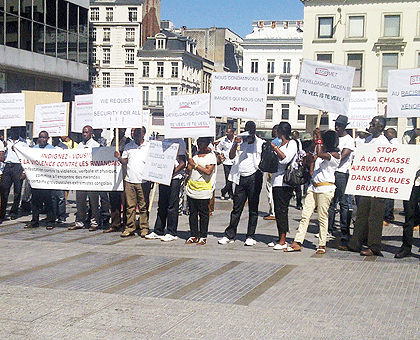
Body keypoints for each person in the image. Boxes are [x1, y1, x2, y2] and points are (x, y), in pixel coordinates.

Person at [339, 116, 390, 256]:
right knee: (362, 214)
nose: (370, 126)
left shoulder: (384, 142)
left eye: (374, 124)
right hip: (366, 183)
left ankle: (374, 246)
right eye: (371, 123)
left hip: (378, 184)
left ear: (381, 127)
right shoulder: (367, 140)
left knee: (375, 217)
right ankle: (355, 243)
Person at [285, 129, 340, 254]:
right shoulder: (319, 149)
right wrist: (314, 145)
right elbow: (309, 156)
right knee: (305, 215)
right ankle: (298, 241)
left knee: (322, 216)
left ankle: (322, 243)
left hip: (325, 188)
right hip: (313, 187)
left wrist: (319, 138)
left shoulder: (335, 155)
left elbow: (320, 154)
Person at [218, 121, 264, 246]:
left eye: (251, 130)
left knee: (253, 208)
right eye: (247, 130)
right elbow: (231, 156)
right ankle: (230, 234)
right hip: (240, 177)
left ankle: (250, 235)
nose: (249, 133)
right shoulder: (240, 141)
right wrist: (235, 144)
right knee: (236, 207)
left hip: (254, 176)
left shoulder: (260, 143)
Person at [146, 138, 186, 242]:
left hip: (174, 178)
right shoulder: (163, 141)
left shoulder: (180, 141)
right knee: (162, 204)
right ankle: (158, 230)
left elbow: (183, 163)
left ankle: (171, 232)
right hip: (163, 177)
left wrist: (171, 173)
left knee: (172, 205)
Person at [114, 128, 150, 237]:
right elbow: (125, 161)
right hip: (130, 180)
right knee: (130, 206)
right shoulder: (129, 146)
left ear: (143, 133)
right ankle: (130, 227)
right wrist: (119, 157)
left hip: (143, 181)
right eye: (133, 132)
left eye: (137, 132)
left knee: (143, 206)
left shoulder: (149, 146)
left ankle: (144, 227)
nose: (134, 134)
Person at [268, 122, 298, 250]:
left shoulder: (292, 144)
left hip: (285, 182)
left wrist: (275, 148)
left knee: (282, 210)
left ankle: (283, 239)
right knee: (277, 210)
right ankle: (279, 235)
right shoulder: (280, 143)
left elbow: (285, 159)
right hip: (275, 180)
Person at [327, 115, 355, 244]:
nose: (336, 127)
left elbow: (342, 157)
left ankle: (345, 231)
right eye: (336, 124)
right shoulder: (334, 138)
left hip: (342, 173)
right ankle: (329, 228)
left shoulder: (349, 140)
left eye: (339, 125)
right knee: (331, 203)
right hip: (331, 172)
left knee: (343, 203)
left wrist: (331, 156)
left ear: (345, 126)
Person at [68, 125, 101, 231]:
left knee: (94, 201)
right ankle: (80, 221)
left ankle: (94, 222)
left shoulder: (96, 145)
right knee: (80, 201)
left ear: (91, 133)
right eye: (83, 132)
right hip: (81, 178)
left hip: (91, 177)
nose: (84, 134)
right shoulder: (79, 145)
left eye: (86, 132)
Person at [185, 137, 217, 245]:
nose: (200, 144)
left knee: (203, 213)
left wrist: (195, 165)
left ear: (207, 144)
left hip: (204, 188)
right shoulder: (194, 155)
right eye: (199, 142)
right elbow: (189, 169)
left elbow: (208, 171)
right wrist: (189, 163)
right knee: (192, 213)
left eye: (202, 142)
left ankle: (203, 235)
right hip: (192, 187)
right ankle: (194, 234)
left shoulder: (211, 156)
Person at [25, 131, 56, 229]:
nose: (42, 139)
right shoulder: (34, 149)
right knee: (35, 202)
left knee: (48, 201)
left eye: (44, 137)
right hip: (36, 179)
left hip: (47, 180)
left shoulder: (52, 149)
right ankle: (34, 221)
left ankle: (50, 221)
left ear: (47, 139)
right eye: (40, 137)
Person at [0, 127, 27, 221]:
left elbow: (25, 157)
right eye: (13, 130)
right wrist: (5, 148)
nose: (15, 132)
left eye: (16, 130)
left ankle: (14, 211)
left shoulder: (23, 143)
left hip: (18, 166)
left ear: (19, 131)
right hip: (8, 166)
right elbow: (3, 157)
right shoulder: (6, 141)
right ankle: (2, 212)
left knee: (17, 191)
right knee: (4, 189)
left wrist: (24, 171)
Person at [383, 128, 398, 226]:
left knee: (388, 197)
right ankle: (390, 215)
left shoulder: (394, 144)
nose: (385, 134)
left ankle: (387, 217)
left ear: (392, 134)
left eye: (387, 133)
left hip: (391, 172)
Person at [263, 125, 279, 220]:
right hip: (279, 170)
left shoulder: (274, 142)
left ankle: (272, 212)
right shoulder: (285, 142)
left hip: (272, 170)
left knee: (270, 191)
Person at [216, 127, 235, 200]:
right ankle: (231, 194)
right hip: (227, 162)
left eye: (229, 132)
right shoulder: (224, 141)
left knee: (233, 179)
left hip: (234, 162)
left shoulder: (236, 140)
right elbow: (218, 147)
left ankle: (224, 191)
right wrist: (220, 154)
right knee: (228, 179)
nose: (227, 133)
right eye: (226, 132)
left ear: (232, 133)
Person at [291, 130, 303, 210]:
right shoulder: (295, 142)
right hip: (295, 166)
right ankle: (298, 202)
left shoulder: (296, 143)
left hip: (296, 166)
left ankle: (299, 203)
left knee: (297, 186)